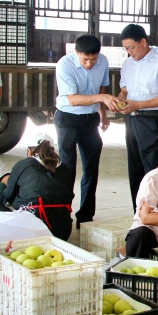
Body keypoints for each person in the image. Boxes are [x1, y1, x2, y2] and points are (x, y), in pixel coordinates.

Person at [55, 34, 115, 228]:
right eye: (85, 59)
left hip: (90, 121)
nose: (89, 64)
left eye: (93, 59)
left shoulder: (103, 61)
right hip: (68, 120)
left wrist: (103, 115)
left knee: (91, 169)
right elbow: (73, 99)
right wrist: (102, 98)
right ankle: (63, 215)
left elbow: (100, 89)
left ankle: (85, 217)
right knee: (67, 170)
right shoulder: (64, 65)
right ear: (76, 53)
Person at [113, 24, 158, 212]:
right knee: (135, 167)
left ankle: (155, 211)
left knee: (151, 168)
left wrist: (138, 105)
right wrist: (120, 101)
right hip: (131, 120)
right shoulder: (128, 64)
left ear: (143, 42)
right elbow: (125, 90)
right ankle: (138, 212)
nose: (129, 52)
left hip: (150, 120)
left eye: (132, 47)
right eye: (126, 48)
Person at [0, 133, 75, 241]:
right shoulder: (65, 169)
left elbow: (9, 195)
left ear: (29, 151)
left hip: (31, 231)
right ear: (53, 150)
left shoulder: (24, 165)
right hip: (63, 232)